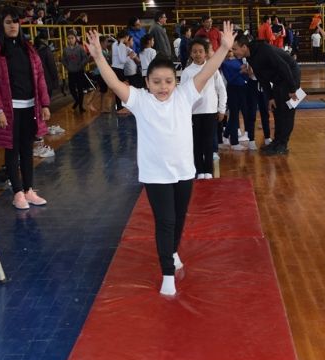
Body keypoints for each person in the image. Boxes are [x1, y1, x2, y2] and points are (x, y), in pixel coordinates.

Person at [85, 22, 236, 296]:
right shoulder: (141, 101)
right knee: (165, 221)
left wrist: (224, 47)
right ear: (147, 83)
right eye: (156, 82)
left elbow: (207, 71)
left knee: (178, 219)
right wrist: (97, 57)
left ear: (176, 81)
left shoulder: (184, 95)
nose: (163, 87)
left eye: (168, 81)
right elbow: (115, 83)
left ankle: (173, 252)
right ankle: (168, 272)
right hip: (156, 175)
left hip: (183, 171)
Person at [0, 5, 51, 210]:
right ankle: (18, 193)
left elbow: (39, 78)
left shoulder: (28, 49)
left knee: (27, 150)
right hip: (9, 111)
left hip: (30, 107)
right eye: (8, 22)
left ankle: (29, 190)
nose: (12, 25)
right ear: (1, 25)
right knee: (12, 152)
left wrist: (45, 103)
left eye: (15, 21)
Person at [232, 31, 301, 156]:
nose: (233, 52)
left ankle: (283, 144)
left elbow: (284, 67)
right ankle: (277, 142)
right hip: (279, 79)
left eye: (235, 49)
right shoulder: (250, 56)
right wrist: (270, 97)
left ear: (244, 47)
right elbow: (262, 78)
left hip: (290, 75)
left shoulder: (263, 50)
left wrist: (292, 89)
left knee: (287, 111)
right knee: (277, 109)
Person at [181, 38, 226, 178]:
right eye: (195, 52)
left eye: (201, 51)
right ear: (190, 53)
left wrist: (221, 109)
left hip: (210, 111)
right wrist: (184, 113)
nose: (198, 54)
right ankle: (199, 170)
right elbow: (182, 95)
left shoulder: (213, 70)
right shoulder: (187, 72)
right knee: (196, 143)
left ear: (206, 53)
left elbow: (221, 90)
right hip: (194, 113)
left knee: (208, 142)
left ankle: (208, 170)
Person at [220, 48, 249, 150]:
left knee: (235, 115)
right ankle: (234, 142)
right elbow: (230, 79)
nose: (230, 53)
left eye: (231, 51)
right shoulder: (225, 64)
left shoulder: (238, 61)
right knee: (234, 115)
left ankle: (226, 136)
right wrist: (240, 72)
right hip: (233, 90)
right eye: (227, 51)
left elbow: (246, 77)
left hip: (242, 89)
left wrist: (245, 72)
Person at [62, 31, 89, 112]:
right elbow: (63, 60)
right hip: (71, 72)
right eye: (69, 38)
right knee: (72, 88)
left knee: (80, 89)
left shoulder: (80, 48)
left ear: (75, 38)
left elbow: (85, 58)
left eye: (72, 38)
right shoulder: (66, 49)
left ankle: (80, 106)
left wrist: (81, 65)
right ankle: (77, 100)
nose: (70, 40)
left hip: (79, 71)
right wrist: (67, 67)